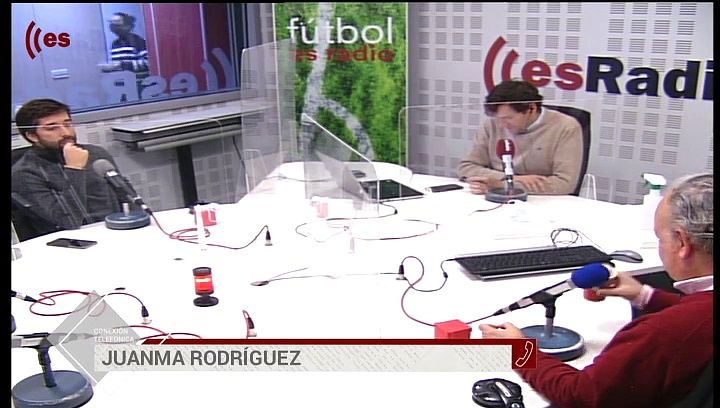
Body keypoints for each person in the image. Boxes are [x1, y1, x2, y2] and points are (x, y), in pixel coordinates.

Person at [480, 172, 713, 407]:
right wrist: (643, 295)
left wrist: (519, 350)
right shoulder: (694, 317)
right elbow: (699, 315)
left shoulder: (663, 332)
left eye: (660, 238)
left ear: (682, 243)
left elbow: (579, 395)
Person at [12, 98, 125, 236]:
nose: (66, 132)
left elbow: (126, 197)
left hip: (115, 230)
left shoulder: (96, 154)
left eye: (68, 124)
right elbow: (68, 221)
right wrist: (74, 169)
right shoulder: (25, 173)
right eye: (52, 128)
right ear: (32, 136)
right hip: (72, 240)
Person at [457, 80, 583, 195]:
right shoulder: (491, 124)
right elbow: (467, 167)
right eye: (498, 118)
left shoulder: (566, 127)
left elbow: (565, 183)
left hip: (545, 202)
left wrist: (503, 185)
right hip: (495, 197)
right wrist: (509, 178)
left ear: (531, 108)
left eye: (508, 118)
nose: (501, 125)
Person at [99, 12, 150, 99]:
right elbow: (117, 65)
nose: (113, 26)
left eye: (117, 23)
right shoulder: (115, 43)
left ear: (127, 26)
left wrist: (121, 65)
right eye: (112, 23)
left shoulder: (138, 41)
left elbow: (148, 63)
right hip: (121, 88)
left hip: (138, 87)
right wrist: (109, 68)